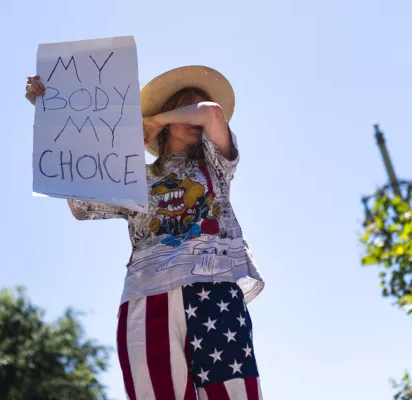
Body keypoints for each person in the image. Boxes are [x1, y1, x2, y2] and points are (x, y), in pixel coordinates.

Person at [25, 65, 265, 400]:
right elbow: (79, 203)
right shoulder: (134, 176)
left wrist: (156, 121)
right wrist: (50, 111)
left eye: (192, 109)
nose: (194, 115)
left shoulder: (215, 165)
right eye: (186, 105)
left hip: (215, 291)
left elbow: (212, 113)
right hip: (146, 297)